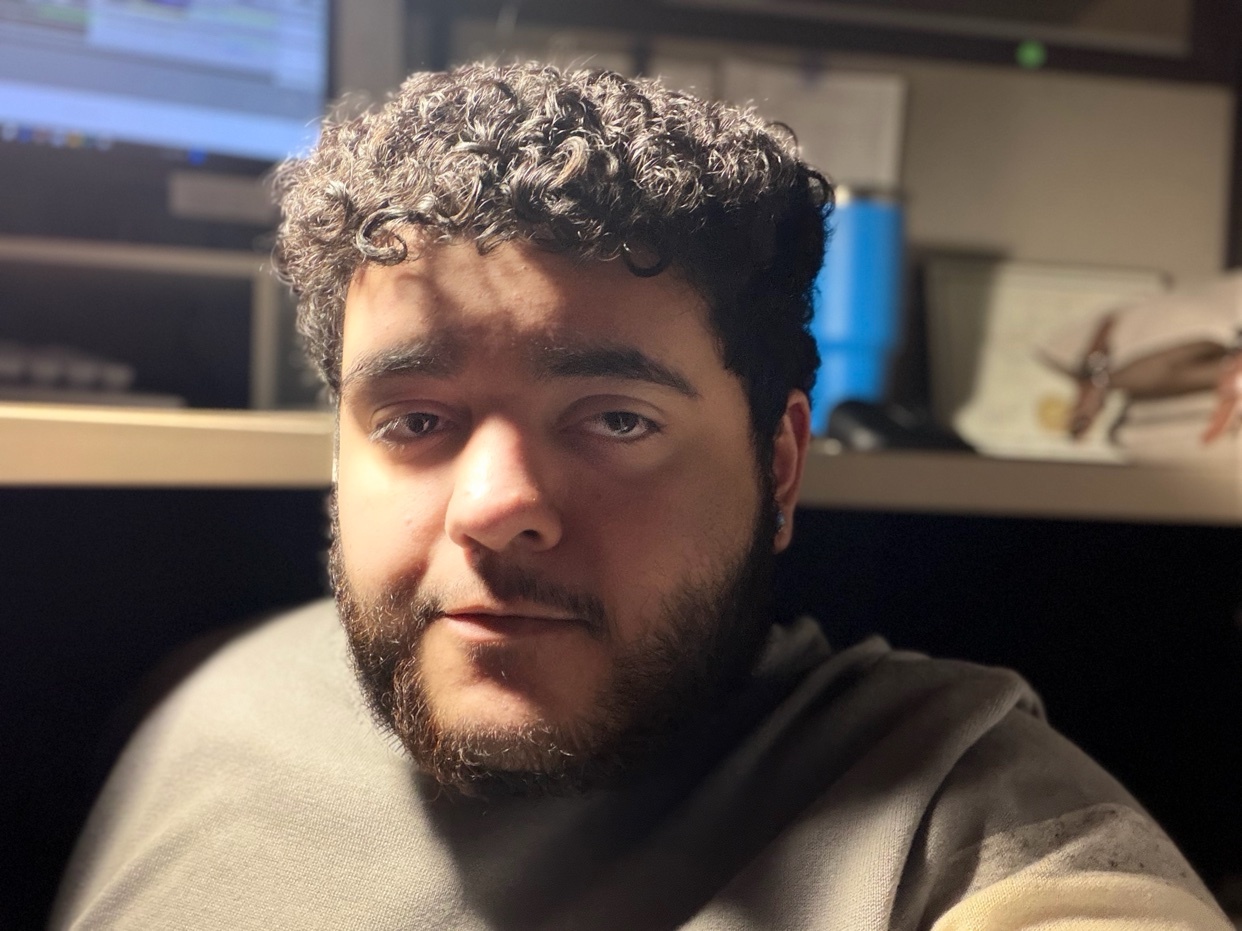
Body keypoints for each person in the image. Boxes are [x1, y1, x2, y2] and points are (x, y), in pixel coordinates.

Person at [53, 62, 1230, 930]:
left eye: (616, 420)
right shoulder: (196, 694)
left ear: (778, 466)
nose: (495, 505)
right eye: (414, 421)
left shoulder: (953, 814)